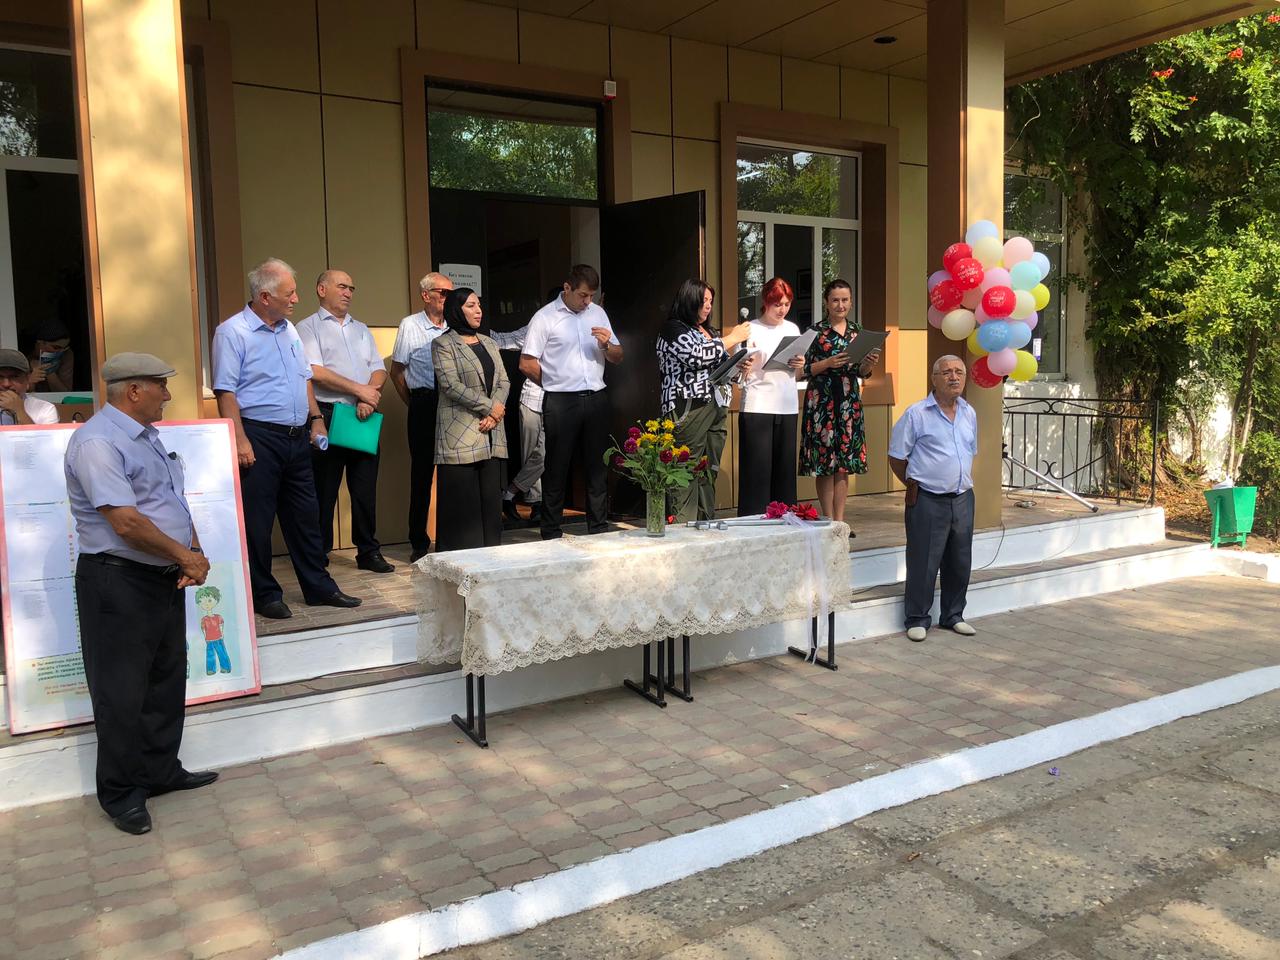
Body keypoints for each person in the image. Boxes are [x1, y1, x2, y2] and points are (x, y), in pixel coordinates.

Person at [64, 352, 218, 835]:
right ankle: (122, 794)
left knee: (165, 680)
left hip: (162, 576)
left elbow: (171, 502)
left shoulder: (147, 438)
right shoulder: (97, 442)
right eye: (161, 385)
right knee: (121, 691)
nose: (168, 395)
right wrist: (186, 556)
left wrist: (192, 551)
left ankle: (160, 771)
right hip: (118, 581)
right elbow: (126, 522)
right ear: (133, 391)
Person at [212, 258, 361, 620]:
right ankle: (265, 594)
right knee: (258, 521)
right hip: (258, 435)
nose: (296, 299)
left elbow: (303, 377)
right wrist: (239, 440)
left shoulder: (289, 330)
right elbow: (225, 391)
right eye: (289, 293)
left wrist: (316, 419)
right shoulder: (232, 332)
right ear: (265, 297)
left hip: (297, 437)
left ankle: (319, 587)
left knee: (306, 516)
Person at [297, 269, 393, 574]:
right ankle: (319, 555)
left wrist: (368, 396)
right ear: (321, 289)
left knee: (365, 491)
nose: (348, 292)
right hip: (326, 415)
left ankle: (368, 552)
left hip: (362, 415)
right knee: (323, 492)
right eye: (342, 286)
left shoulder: (361, 329)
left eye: (351, 288)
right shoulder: (307, 327)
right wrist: (359, 390)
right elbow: (314, 371)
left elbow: (379, 369)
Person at [519, 264, 622, 540]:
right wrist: (554, 383)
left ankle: (598, 528)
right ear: (567, 288)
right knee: (557, 465)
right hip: (561, 399)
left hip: (596, 397)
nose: (587, 301)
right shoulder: (545, 317)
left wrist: (606, 345)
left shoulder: (598, 313)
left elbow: (618, 355)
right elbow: (527, 363)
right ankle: (551, 530)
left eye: (591, 296)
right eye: (582, 295)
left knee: (597, 466)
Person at [888, 354, 979, 643]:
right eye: (947, 372)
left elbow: (969, 452)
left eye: (959, 372)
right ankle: (917, 618)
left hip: (962, 497)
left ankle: (953, 615)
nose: (954, 377)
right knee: (923, 561)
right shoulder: (916, 414)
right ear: (934, 379)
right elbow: (897, 457)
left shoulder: (969, 412)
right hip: (927, 498)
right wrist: (916, 483)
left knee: (960, 560)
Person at [656, 280, 753, 522]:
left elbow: (720, 367)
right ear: (690, 300)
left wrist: (739, 366)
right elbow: (696, 356)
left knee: (708, 469)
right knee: (684, 467)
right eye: (703, 301)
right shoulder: (673, 329)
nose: (708, 306)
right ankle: (682, 527)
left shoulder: (711, 332)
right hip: (688, 405)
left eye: (711, 301)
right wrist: (733, 337)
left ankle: (705, 524)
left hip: (716, 405)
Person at [799, 279, 883, 529]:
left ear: (851, 302)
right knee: (825, 463)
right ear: (826, 302)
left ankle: (840, 522)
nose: (840, 305)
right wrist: (827, 363)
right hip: (821, 401)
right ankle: (827, 520)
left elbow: (862, 372)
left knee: (843, 464)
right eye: (835, 300)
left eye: (845, 300)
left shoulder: (858, 331)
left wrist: (868, 364)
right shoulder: (814, 332)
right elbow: (800, 371)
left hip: (848, 401)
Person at [432, 287, 509, 551]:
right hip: (461, 431)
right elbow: (450, 385)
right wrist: (490, 408)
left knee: (490, 502)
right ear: (456, 310)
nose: (478, 311)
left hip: (491, 432)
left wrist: (495, 413)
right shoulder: (443, 344)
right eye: (471, 306)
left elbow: (504, 381)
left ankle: (491, 558)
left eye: (479, 305)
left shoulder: (489, 342)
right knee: (462, 506)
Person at [390, 272, 454, 561]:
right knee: (422, 476)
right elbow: (397, 371)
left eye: (451, 293)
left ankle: (451, 538)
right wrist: (414, 402)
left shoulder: (455, 325)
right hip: (424, 403)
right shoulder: (410, 325)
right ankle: (418, 541)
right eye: (442, 292)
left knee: (454, 474)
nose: (447, 298)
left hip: (453, 406)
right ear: (426, 295)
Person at [737, 277, 805, 516]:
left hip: (787, 404)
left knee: (785, 472)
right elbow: (738, 371)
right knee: (756, 472)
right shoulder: (750, 328)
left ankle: (785, 520)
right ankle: (753, 521)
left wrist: (800, 364)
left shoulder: (792, 329)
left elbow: (798, 374)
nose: (782, 309)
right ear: (766, 302)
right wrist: (743, 365)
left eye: (786, 304)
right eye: (777, 304)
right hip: (758, 403)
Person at [492, 287, 558, 526]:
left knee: (544, 453)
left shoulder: (579, 328)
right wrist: (473, 328)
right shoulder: (537, 325)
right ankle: (535, 503)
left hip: (558, 400)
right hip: (531, 398)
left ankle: (510, 493)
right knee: (532, 453)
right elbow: (504, 340)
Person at [0, 348, 59, 425]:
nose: (6, 384)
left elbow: (42, 434)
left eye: (14, 376)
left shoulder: (44, 409)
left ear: (27, 379)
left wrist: (19, 412)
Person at [26, 319, 75, 392]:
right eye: (56, 347)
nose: (60, 352)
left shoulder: (66, 354)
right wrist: (30, 381)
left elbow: (64, 393)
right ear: (40, 342)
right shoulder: (23, 354)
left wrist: (48, 370)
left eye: (64, 348)